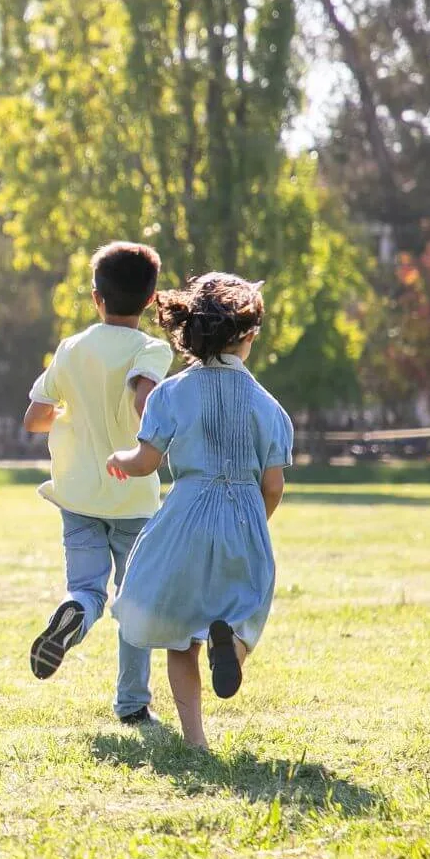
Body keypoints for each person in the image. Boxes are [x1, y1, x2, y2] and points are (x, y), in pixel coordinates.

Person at [107, 272, 293, 749]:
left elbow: (146, 462)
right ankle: (231, 646)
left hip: (186, 515)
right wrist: (255, 519)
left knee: (178, 633)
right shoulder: (268, 407)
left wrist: (120, 459)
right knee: (245, 609)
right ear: (248, 335)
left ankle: (196, 741)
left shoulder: (170, 393)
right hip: (244, 515)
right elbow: (274, 483)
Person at [22, 242, 174, 725]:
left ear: (96, 298)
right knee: (135, 601)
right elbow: (143, 399)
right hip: (132, 495)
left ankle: (72, 613)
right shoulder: (153, 348)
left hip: (78, 494)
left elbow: (34, 418)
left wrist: (75, 416)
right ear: (150, 301)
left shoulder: (71, 348)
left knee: (86, 588)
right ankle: (132, 704)